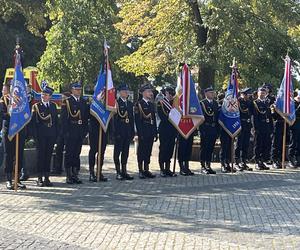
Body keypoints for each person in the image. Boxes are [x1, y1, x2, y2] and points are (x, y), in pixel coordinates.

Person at [61, 82, 89, 184]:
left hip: (79, 131)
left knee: (77, 153)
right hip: (70, 131)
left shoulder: (83, 101)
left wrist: (85, 131)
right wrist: (66, 132)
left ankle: (75, 174)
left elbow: (85, 118)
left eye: (80, 90)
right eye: (76, 89)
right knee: (69, 154)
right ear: (72, 90)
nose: (78, 91)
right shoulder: (67, 102)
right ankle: (68, 175)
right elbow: (64, 119)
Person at [0, 83, 26, 190]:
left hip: (19, 131)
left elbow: (25, 114)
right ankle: (9, 179)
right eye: (12, 87)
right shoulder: (3, 100)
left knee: (19, 155)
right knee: (9, 154)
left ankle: (17, 179)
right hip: (9, 131)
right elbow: (2, 115)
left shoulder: (21, 100)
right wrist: (9, 113)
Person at [32, 85, 58, 186]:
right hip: (41, 135)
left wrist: (56, 135)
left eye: (46, 94)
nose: (43, 96)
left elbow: (56, 121)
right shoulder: (37, 106)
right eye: (42, 94)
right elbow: (34, 123)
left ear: (50, 96)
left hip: (51, 135)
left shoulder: (53, 106)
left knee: (48, 156)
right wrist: (35, 136)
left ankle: (47, 177)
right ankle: (39, 178)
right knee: (41, 156)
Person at [134, 83, 157, 179]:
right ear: (143, 93)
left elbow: (154, 119)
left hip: (150, 131)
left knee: (148, 151)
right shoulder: (138, 104)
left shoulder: (151, 104)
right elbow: (138, 120)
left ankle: (146, 169)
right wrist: (140, 133)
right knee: (141, 151)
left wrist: (155, 132)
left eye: (151, 91)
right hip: (143, 131)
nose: (150, 93)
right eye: (148, 91)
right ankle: (140, 170)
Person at [113, 83, 134, 180]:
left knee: (126, 152)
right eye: (124, 91)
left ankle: (124, 170)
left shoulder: (130, 104)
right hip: (119, 131)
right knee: (117, 152)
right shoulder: (116, 103)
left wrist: (132, 131)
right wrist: (115, 132)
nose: (126, 92)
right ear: (120, 92)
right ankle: (118, 172)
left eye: (127, 91)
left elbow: (131, 118)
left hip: (127, 131)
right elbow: (114, 120)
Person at [157, 86, 178, 177]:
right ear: (166, 93)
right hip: (164, 129)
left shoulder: (174, 104)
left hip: (172, 129)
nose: (171, 95)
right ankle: (162, 169)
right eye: (169, 93)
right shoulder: (160, 103)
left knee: (170, 149)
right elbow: (162, 116)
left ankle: (168, 168)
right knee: (163, 149)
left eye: (172, 94)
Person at [199, 87, 218, 174]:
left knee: (210, 148)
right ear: (206, 94)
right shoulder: (202, 103)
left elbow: (217, 117)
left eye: (213, 92)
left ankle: (208, 165)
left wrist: (218, 130)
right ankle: (203, 165)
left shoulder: (215, 103)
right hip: (205, 128)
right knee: (204, 147)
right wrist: (201, 130)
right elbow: (200, 118)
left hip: (213, 128)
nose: (212, 94)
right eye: (210, 93)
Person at [253, 86, 272, 170]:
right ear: (258, 93)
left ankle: (262, 161)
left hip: (266, 127)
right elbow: (254, 117)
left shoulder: (267, 103)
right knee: (258, 145)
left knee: (265, 144)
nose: (262, 94)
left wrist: (271, 127)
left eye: (264, 93)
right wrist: (255, 128)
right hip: (259, 127)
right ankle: (257, 162)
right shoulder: (255, 103)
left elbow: (269, 116)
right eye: (261, 93)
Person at [234, 88, 253, 171]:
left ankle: (243, 161)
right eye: (248, 94)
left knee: (246, 144)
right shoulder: (238, 102)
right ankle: (236, 162)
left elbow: (252, 113)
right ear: (243, 94)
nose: (249, 96)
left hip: (247, 125)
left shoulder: (250, 102)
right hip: (240, 125)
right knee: (239, 144)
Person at [88, 114, 108, 182]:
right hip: (94, 130)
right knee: (93, 151)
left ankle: (99, 172)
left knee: (101, 152)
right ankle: (91, 173)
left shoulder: (106, 103)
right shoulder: (93, 103)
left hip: (104, 129)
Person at [288, 90, 300, 168]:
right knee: (293, 143)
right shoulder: (293, 103)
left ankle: (297, 159)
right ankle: (290, 159)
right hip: (294, 125)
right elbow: (292, 114)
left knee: (299, 144)